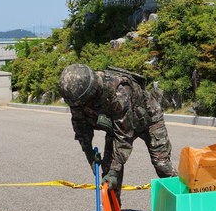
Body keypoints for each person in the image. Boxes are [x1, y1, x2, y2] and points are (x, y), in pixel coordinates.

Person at [59, 64, 177, 203]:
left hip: (148, 120)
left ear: (92, 92)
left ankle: (184, 206)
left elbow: (124, 135)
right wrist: (89, 155)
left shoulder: (117, 90)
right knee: (108, 178)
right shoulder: (78, 98)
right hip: (117, 125)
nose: (80, 106)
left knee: (162, 166)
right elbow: (81, 127)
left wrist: (115, 170)